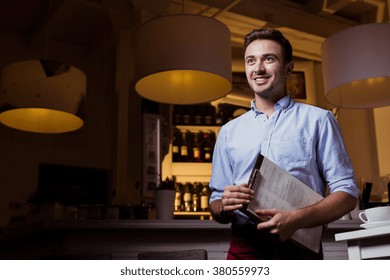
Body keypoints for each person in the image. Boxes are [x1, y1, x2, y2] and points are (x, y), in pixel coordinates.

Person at [208, 28, 360, 260]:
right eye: (251, 60)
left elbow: (347, 194)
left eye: (269, 59)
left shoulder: (319, 120)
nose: (258, 68)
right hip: (243, 252)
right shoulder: (229, 131)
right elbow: (216, 203)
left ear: (289, 67)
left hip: (299, 252)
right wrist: (223, 205)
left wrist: (296, 220)